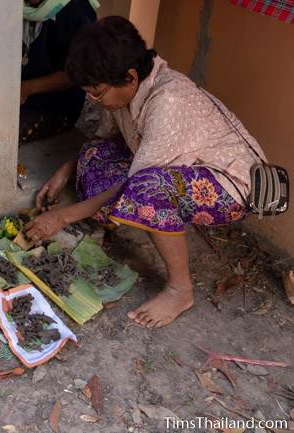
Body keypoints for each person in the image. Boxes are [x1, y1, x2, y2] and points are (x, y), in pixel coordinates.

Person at [24, 16, 267, 328]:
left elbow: (134, 183)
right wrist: (64, 170)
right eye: (88, 92)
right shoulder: (123, 91)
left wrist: (63, 216)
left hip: (232, 186)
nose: (92, 99)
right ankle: (122, 215)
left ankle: (180, 289)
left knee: (145, 190)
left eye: (96, 93)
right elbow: (106, 140)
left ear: (130, 76)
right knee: (93, 152)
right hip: (177, 166)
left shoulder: (169, 102)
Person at [20, 0, 96, 144]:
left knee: (1, 130)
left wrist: (26, 88)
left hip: (56, 105)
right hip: (19, 95)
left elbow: (77, 73)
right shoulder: (13, 6)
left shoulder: (76, 9)